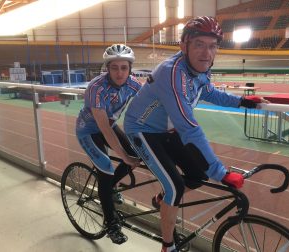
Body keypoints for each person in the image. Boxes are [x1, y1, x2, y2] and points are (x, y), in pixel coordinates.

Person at [124, 16, 269, 252]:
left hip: (167, 130)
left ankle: (161, 202)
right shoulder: (172, 74)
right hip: (141, 130)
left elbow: (211, 93)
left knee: (198, 175)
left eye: (212, 46)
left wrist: (243, 101)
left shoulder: (201, 70)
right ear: (184, 45)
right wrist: (220, 172)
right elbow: (189, 128)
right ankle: (167, 247)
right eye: (199, 44)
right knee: (175, 187)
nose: (207, 53)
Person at [76, 44, 141, 244]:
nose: (120, 73)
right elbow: (103, 128)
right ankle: (111, 223)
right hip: (89, 130)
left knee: (136, 155)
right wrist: (124, 157)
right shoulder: (96, 88)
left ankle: (110, 188)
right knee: (106, 169)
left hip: (109, 125)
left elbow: (150, 108)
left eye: (124, 67)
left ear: (130, 68)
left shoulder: (134, 85)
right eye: (114, 68)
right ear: (107, 68)